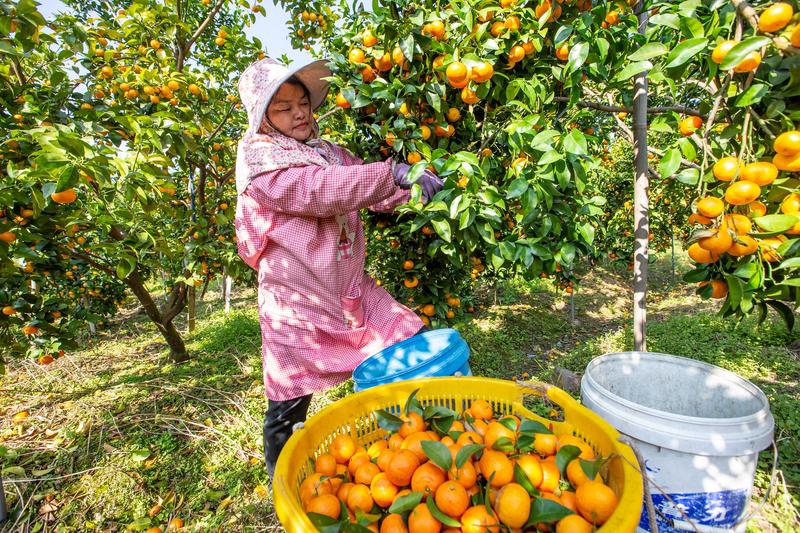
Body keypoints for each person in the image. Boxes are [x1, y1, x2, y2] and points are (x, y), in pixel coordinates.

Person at [234, 58, 444, 478]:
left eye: (302, 103)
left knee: (411, 338)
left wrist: (418, 185)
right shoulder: (260, 162)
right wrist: (390, 174)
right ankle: (283, 479)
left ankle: (427, 440)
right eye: (283, 108)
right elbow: (319, 191)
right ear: (263, 118)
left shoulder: (326, 152)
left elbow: (366, 187)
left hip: (348, 288)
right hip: (295, 301)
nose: (298, 113)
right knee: (289, 400)